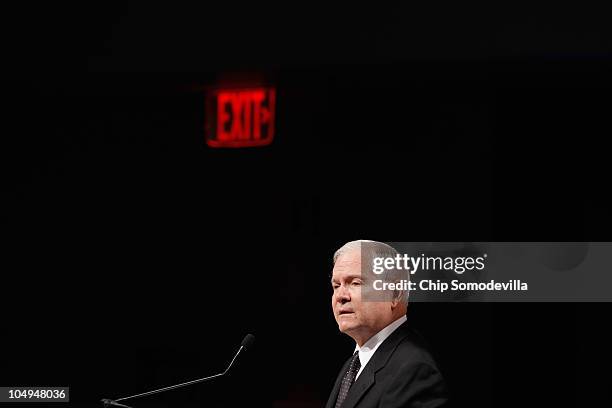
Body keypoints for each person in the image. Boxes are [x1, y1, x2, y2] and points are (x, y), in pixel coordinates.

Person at [326, 240, 448, 408]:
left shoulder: (414, 369)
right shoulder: (354, 363)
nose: (341, 296)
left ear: (395, 294)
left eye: (355, 283)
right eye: (336, 285)